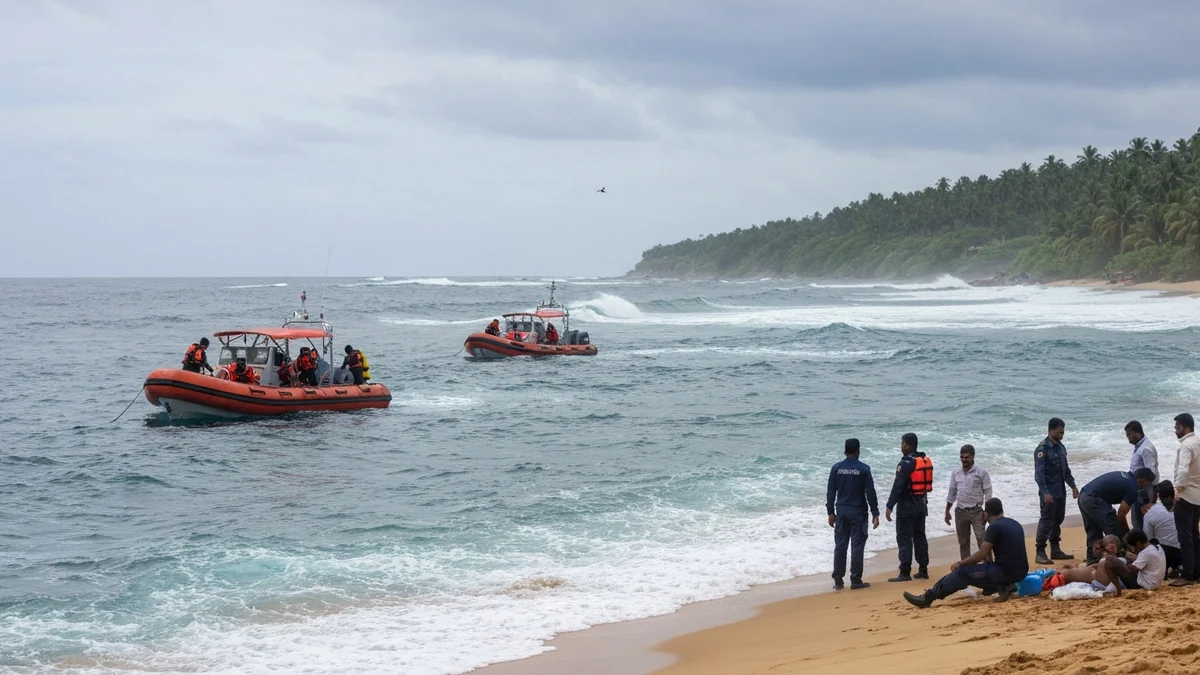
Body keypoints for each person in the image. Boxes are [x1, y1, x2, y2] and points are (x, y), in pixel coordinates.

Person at [902, 498, 1028, 608]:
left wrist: (961, 563)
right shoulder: (1015, 523)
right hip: (1021, 573)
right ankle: (1004, 586)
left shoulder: (994, 527)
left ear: (985, 514)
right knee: (986, 569)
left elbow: (982, 554)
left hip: (1005, 573)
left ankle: (927, 598)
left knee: (961, 573)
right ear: (1001, 510)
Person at [825, 438, 881, 590]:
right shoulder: (864, 469)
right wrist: (875, 512)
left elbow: (831, 492)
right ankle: (855, 579)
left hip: (842, 511)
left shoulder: (836, 468)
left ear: (845, 451)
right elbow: (870, 492)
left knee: (840, 545)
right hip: (858, 511)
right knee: (857, 545)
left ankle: (838, 579)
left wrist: (830, 512)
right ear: (858, 451)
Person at [1077, 469, 1155, 564]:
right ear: (1142, 480)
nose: (1145, 487)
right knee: (1114, 531)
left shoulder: (1125, 477)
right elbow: (1121, 515)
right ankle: (1121, 561)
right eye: (1147, 484)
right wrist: (1127, 534)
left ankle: (1093, 561)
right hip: (1094, 499)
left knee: (1093, 531)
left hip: (1083, 495)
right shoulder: (1132, 488)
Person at [886, 432, 932, 581]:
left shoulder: (905, 463)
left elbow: (898, 486)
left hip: (906, 505)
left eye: (903, 443)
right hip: (921, 503)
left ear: (908, 445)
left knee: (904, 537)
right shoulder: (922, 459)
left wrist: (889, 506)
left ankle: (904, 572)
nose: (902, 446)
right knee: (920, 536)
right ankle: (923, 569)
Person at [1034, 417, 1078, 564]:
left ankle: (1055, 549)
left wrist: (1073, 486)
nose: (1061, 435)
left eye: (1062, 432)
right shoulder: (1042, 449)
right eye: (1059, 432)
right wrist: (1045, 493)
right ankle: (1040, 551)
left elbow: (1065, 470)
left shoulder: (1061, 447)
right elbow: (1039, 475)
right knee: (1046, 521)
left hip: (1060, 491)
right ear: (1050, 430)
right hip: (1049, 493)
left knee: (1058, 519)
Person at [945, 444, 993, 561]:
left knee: (983, 541)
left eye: (967, 457)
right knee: (963, 543)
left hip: (977, 512)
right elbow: (952, 492)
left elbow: (988, 491)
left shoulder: (981, 473)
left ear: (973, 456)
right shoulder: (956, 473)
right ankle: (966, 568)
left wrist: (987, 511)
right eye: (962, 457)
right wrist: (947, 511)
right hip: (960, 512)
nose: (964, 460)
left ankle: (989, 566)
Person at [1172, 413, 1200, 586]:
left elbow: (1183, 470)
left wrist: (1178, 491)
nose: (1175, 430)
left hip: (1186, 495)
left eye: (1177, 427)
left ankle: (1187, 575)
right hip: (1198, 496)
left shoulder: (1186, 446)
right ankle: (1196, 572)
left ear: (1185, 427)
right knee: (1194, 535)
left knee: (1185, 537)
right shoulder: (1197, 442)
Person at [1126, 420, 1159, 531]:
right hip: (1139, 488)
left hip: (1144, 491)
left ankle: (1144, 541)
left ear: (1138, 433)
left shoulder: (1145, 449)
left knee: (1141, 522)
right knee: (1137, 521)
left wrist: (1149, 499)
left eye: (1129, 434)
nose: (1127, 437)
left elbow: (1150, 474)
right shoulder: (1139, 447)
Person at [1143, 481, 1182, 575]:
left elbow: (1147, 539)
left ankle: (1168, 568)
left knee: (1152, 543)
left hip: (1165, 555)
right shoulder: (1184, 507)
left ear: (1158, 496)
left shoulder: (1151, 512)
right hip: (1187, 552)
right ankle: (1180, 567)